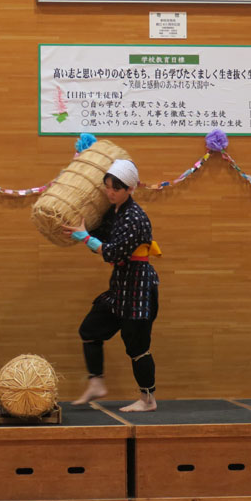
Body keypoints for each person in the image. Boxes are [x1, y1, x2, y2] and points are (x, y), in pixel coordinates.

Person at [63, 160, 161, 413]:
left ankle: (148, 400)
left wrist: (85, 238)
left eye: (115, 189)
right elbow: (99, 232)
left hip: (138, 287)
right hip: (120, 286)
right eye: (107, 187)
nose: (110, 192)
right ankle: (96, 382)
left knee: (137, 347)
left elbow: (112, 252)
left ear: (129, 189)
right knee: (90, 330)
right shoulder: (115, 212)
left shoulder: (134, 217)